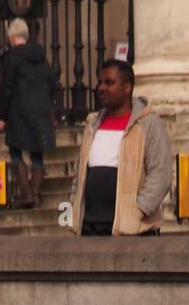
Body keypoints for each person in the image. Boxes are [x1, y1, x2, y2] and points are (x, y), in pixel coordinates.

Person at [70, 59, 173, 237]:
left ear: (127, 88)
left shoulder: (148, 124)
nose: (101, 88)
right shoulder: (92, 125)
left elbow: (161, 174)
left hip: (132, 232)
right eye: (100, 82)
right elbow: (79, 174)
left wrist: (137, 210)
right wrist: (74, 203)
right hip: (89, 227)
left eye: (109, 83)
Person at [0, 18, 56, 210]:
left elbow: (6, 88)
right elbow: (54, 85)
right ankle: (35, 195)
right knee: (37, 155)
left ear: (11, 37)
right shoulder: (41, 58)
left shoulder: (11, 58)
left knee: (16, 151)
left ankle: (27, 194)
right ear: (27, 36)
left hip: (19, 112)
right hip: (40, 112)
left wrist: (2, 116)